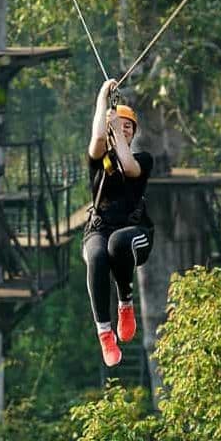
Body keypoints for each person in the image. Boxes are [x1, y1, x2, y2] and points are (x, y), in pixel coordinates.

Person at [83, 79, 154, 367]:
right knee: (99, 255)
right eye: (119, 124)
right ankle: (105, 333)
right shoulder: (98, 159)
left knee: (117, 243)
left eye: (129, 126)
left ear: (134, 133)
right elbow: (99, 138)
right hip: (98, 228)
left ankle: (125, 301)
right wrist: (102, 97)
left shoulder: (142, 159)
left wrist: (118, 132)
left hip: (136, 233)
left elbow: (128, 166)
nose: (122, 129)